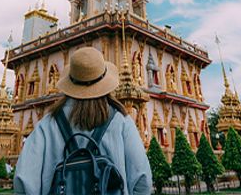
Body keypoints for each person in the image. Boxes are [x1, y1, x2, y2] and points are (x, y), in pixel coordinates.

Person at [14, 47, 152, 195]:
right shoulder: (122, 122)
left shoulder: (47, 124)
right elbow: (142, 179)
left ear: (70, 82)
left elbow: (24, 181)